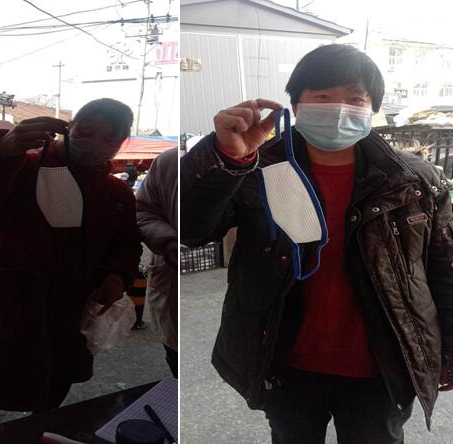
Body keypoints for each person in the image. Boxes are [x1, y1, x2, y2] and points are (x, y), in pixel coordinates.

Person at [180, 44, 453, 443]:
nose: (339, 109)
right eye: (323, 97)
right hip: (285, 363)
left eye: (355, 99)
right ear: (295, 105)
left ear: (373, 108)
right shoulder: (256, 167)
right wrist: (226, 160)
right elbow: (191, 230)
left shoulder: (414, 180)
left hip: (382, 367)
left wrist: (448, 350)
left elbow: (444, 268)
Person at [0, 98, 142, 433]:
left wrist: (117, 276)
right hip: (13, 300)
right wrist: (2, 148)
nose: (96, 143)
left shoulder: (117, 192)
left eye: (110, 138)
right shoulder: (26, 167)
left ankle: (40, 432)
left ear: (122, 142)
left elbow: (126, 244)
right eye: (86, 131)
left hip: (74, 306)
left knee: (57, 378)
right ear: (69, 129)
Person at [136, 148, 178, 377]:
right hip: (171, 281)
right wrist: (166, 240)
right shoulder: (169, 162)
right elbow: (143, 212)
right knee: (175, 358)